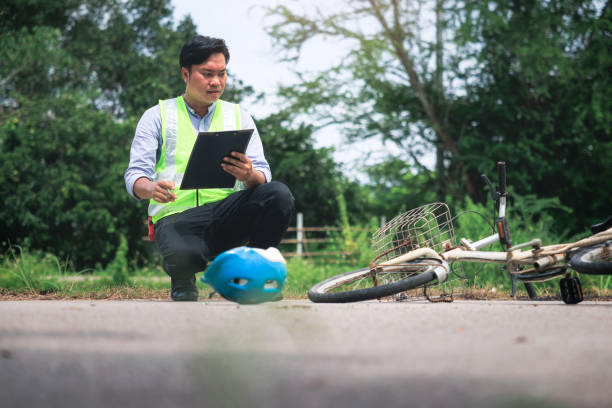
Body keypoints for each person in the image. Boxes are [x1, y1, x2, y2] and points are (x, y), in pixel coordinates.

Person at [124, 35, 294, 301]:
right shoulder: (157, 115)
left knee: (278, 194)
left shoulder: (239, 116)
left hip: (226, 213)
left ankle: (256, 276)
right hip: (177, 217)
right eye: (207, 74)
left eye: (222, 74)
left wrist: (249, 175)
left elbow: (263, 175)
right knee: (185, 256)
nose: (216, 81)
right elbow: (135, 176)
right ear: (185, 74)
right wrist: (151, 188)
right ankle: (183, 279)